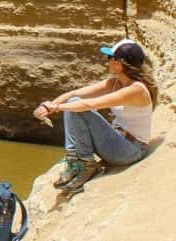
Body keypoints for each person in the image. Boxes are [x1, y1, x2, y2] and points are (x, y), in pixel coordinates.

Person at [32, 38, 158, 192]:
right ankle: (75, 160)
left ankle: (86, 165)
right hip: (117, 142)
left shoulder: (136, 89)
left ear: (119, 64)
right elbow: (75, 93)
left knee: (77, 106)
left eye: (109, 58)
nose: (107, 62)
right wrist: (48, 106)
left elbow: (89, 104)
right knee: (74, 101)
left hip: (130, 151)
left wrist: (57, 107)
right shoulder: (115, 83)